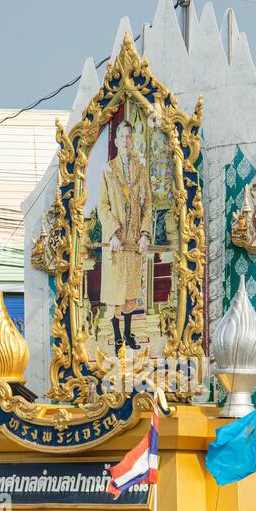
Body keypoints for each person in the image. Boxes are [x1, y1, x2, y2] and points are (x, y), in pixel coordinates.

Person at [97, 119, 152, 355]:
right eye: (122, 137)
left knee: (130, 291)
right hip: (116, 245)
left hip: (134, 244)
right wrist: (112, 233)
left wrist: (145, 234)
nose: (126, 141)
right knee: (115, 292)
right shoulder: (108, 170)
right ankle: (117, 337)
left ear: (133, 140)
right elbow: (102, 205)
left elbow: (148, 204)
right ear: (116, 141)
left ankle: (129, 333)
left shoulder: (141, 170)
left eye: (130, 137)